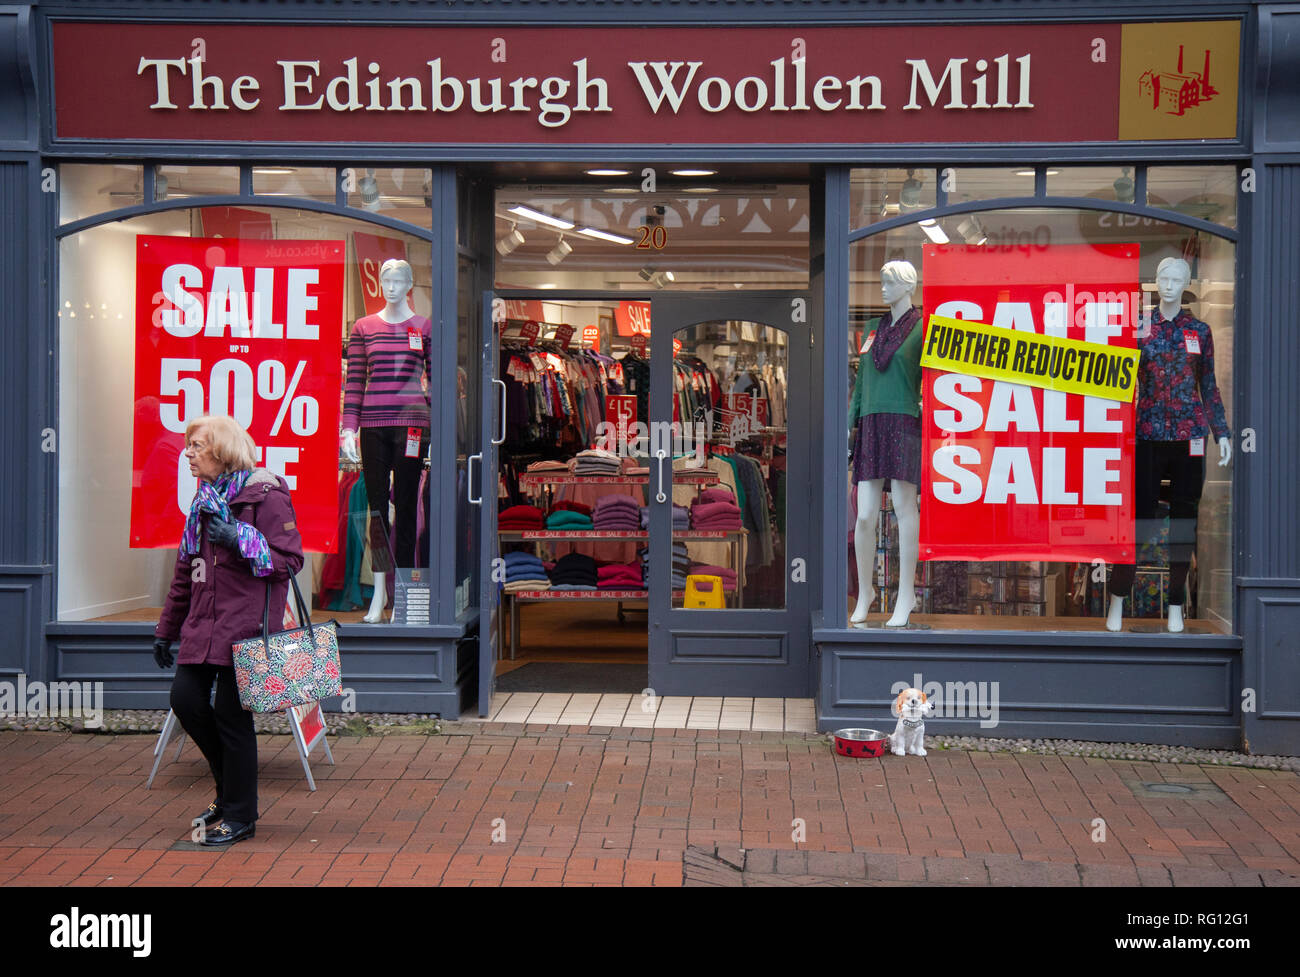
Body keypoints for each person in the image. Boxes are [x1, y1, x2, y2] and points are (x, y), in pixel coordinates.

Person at [152, 415, 304, 846]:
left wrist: (240, 536)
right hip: (203, 625)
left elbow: (289, 561)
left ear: (223, 451)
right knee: (185, 699)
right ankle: (231, 794)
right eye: (189, 446)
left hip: (247, 627)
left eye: (197, 446)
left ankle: (240, 815)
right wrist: (166, 629)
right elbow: (186, 570)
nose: (188, 453)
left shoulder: (267, 495)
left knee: (232, 718)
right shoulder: (202, 501)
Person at [1106, 257, 1231, 633]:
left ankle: (1176, 604)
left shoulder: (1201, 331)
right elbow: (1121, 382)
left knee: (1183, 523)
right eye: (1163, 277)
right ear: (1155, 281)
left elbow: (1208, 385)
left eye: (1177, 278)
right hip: (1147, 436)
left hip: (1190, 438)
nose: (1170, 284)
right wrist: (1112, 430)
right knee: (1139, 522)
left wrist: (1221, 432)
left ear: (1187, 282)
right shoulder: (1140, 326)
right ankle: (1117, 600)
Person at [340, 258, 433, 622]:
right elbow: (355, 381)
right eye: (385, 280)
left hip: (411, 426)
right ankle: (379, 591)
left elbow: (436, 382)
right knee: (377, 510)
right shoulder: (364, 327)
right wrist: (349, 427)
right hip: (374, 426)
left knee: (408, 508)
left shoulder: (423, 327)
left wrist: (437, 431)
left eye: (397, 281)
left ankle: (406, 594)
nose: (390, 287)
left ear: (409, 285)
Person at [849, 260, 924, 627]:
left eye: (889, 282)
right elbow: (861, 384)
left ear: (908, 286)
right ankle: (867, 591)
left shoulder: (925, 327)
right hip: (871, 424)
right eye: (881, 281)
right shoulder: (871, 330)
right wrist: (851, 426)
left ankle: (906, 593)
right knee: (864, 515)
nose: (882, 288)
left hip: (906, 422)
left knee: (904, 508)